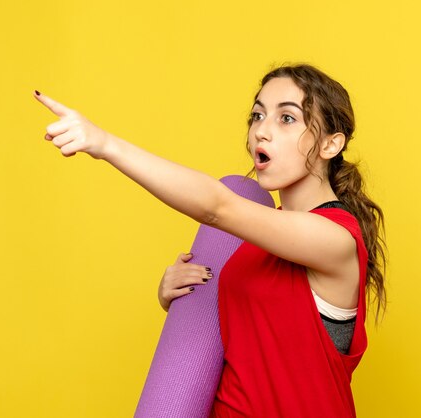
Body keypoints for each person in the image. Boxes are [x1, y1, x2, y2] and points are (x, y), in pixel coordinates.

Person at [34, 64, 386, 417]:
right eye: (257, 115)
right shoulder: (247, 243)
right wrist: (178, 297)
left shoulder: (336, 237)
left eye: (287, 119)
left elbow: (218, 207)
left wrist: (105, 143)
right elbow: (235, 340)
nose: (262, 131)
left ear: (330, 144)